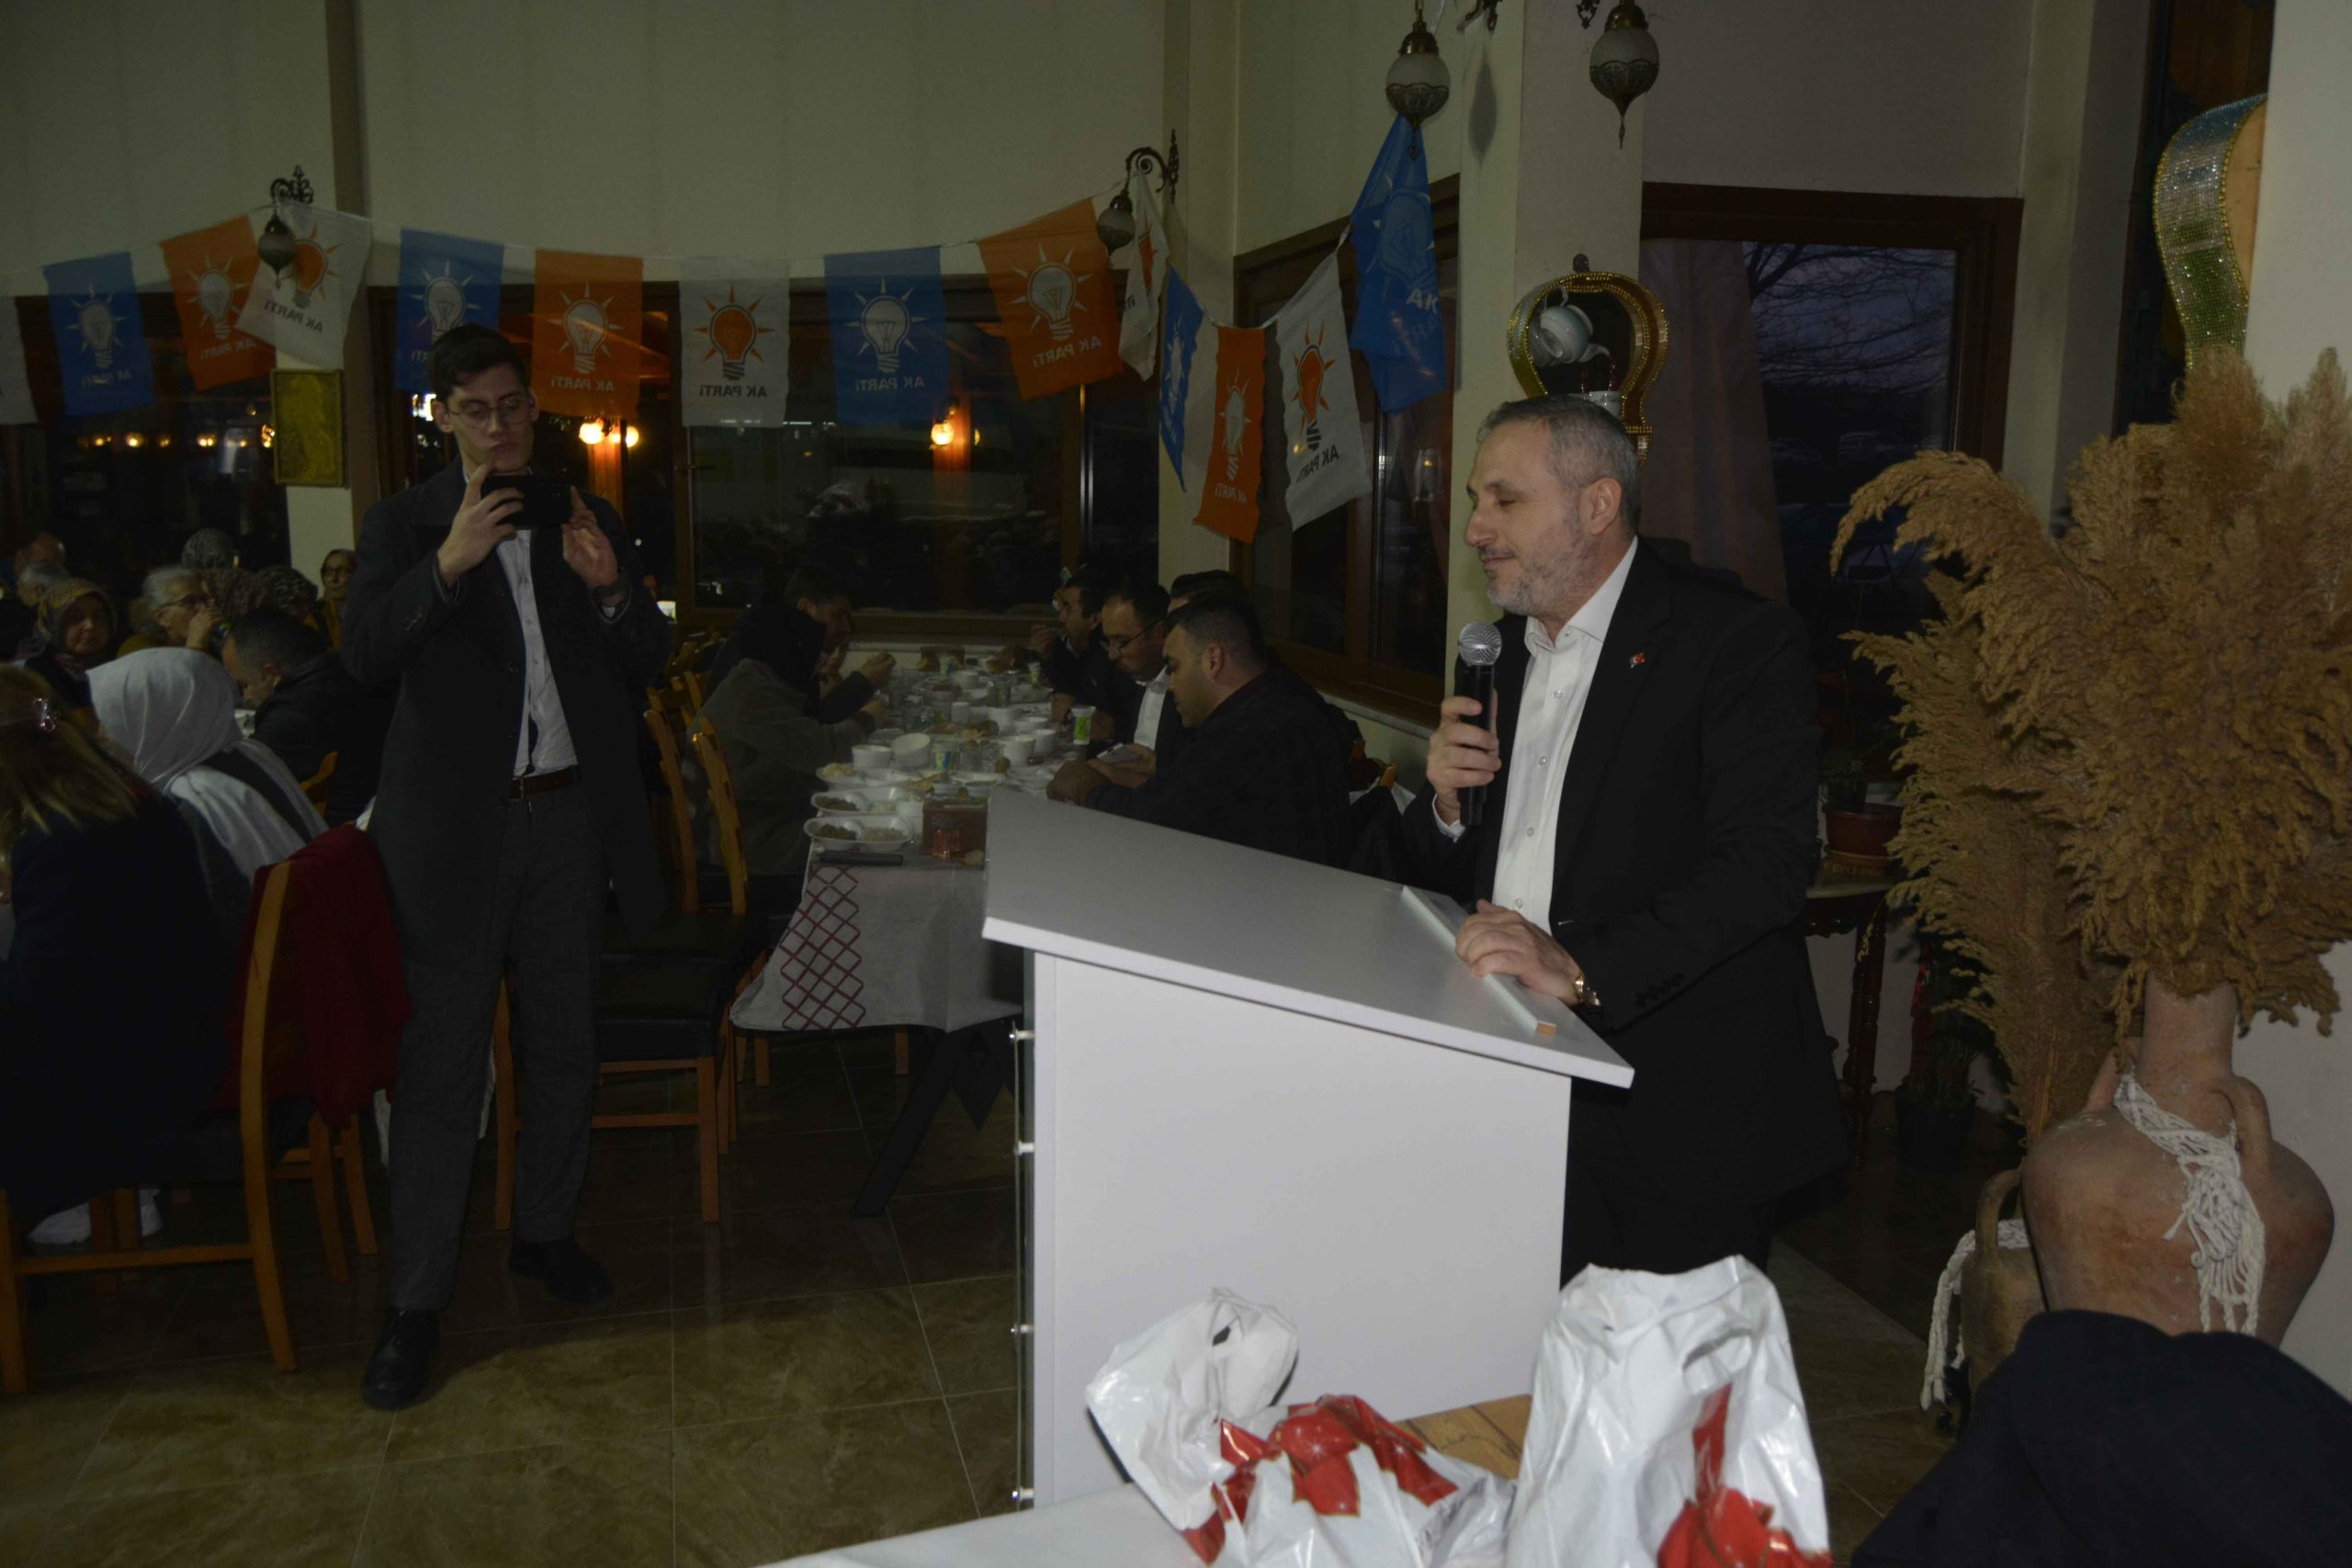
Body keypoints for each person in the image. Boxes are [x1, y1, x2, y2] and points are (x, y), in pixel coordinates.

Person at [1388, 394, 1844, 1283]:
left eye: (1505, 500)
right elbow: (1457, 864)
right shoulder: (1497, 652)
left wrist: (1582, 968)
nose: (1475, 528)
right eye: (1476, 500)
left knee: (1656, 1366)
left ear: (1597, 505)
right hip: (1510, 1067)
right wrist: (1444, 804)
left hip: (1676, 1104)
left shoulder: (1734, 641)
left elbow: (1765, 868)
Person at [342, 322, 671, 1411]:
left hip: (567, 818)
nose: (500, 427)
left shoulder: (585, 512)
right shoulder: (404, 526)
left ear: (535, 407)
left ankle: (544, 1233)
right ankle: (416, 1303)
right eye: (476, 411)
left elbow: (647, 660)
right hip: (449, 837)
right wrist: (447, 565)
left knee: (564, 1040)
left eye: (514, 405)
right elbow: (361, 656)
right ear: (444, 417)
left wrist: (612, 591)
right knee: (441, 1068)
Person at [0, 668, 232, 1236]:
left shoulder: (56, 842)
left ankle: (65, 1206)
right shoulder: (122, 801)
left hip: (136, 1079)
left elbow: (39, 1002)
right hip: (179, 1035)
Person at [1048, 595, 1352, 866]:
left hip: (1270, 896)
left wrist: (1083, 783)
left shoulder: (1246, 728)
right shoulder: (1279, 697)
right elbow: (1196, 795)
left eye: (1175, 667)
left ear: (1213, 660)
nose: (1170, 686)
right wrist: (1160, 770)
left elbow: (1145, 817)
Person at [89, 649, 325, 946]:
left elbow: (211, 924)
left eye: (112, 719)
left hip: (274, 955)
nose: (102, 735)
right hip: (318, 918)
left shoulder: (189, 804)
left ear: (153, 719)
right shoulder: (249, 752)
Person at [699, 601, 882, 904]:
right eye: (812, 651)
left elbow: (801, 734)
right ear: (788, 648)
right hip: (753, 841)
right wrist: (869, 717)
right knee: (861, 834)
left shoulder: (755, 679)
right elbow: (823, 750)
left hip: (754, 815)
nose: (819, 659)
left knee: (857, 809)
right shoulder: (751, 696)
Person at [224, 607, 393, 828]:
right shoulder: (350, 669)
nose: (244, 698)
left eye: (244, 685)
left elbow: (237, 786)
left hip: (341, 832)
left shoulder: (292, 716)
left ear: (271, 674)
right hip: (384, 810)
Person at [707, 564, 893, 725]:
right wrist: (863, 682)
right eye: (837, 615)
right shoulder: (768, 645)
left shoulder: (787, 636)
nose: (846, 628)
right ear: (805, 608)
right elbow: (808, 729)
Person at [1097, 578, 1187, 766]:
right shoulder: (1132, 676)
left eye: (1122, 642)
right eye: (1108, 641)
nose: (1112, 655)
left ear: (1161, 633)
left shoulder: (1186, 691)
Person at [1030, 568, 1136, 728]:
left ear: (1094, 619)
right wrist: (1048, 653)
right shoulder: (1088, 648)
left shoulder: (1115, 657)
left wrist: (1077, 709)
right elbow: (1074, 683)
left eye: (1068, 609)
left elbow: (1123, 721)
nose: (1061, 618)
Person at [16, 579, 118, 716]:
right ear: (53, 624)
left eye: (99, 617)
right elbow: (42, 722)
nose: (90, 626)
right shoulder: (37, 676)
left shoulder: (121, 667)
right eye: (76, 618)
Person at [140, 566, 220, 654]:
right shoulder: (144, 652)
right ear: (162, 618)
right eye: (189, 602)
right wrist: (196, 647)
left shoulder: (217, 643)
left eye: (204, 599)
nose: (204, 608)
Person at [258, 564, 323, 629]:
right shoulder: (260, 632)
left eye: (307, 601)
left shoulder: (315, 624)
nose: (306, 608)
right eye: (296, 602)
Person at [318, 547, 357, 647]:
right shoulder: (317, 613)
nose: (334, 578)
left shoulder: (370, 611)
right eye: (329, 572)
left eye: (341, 572)